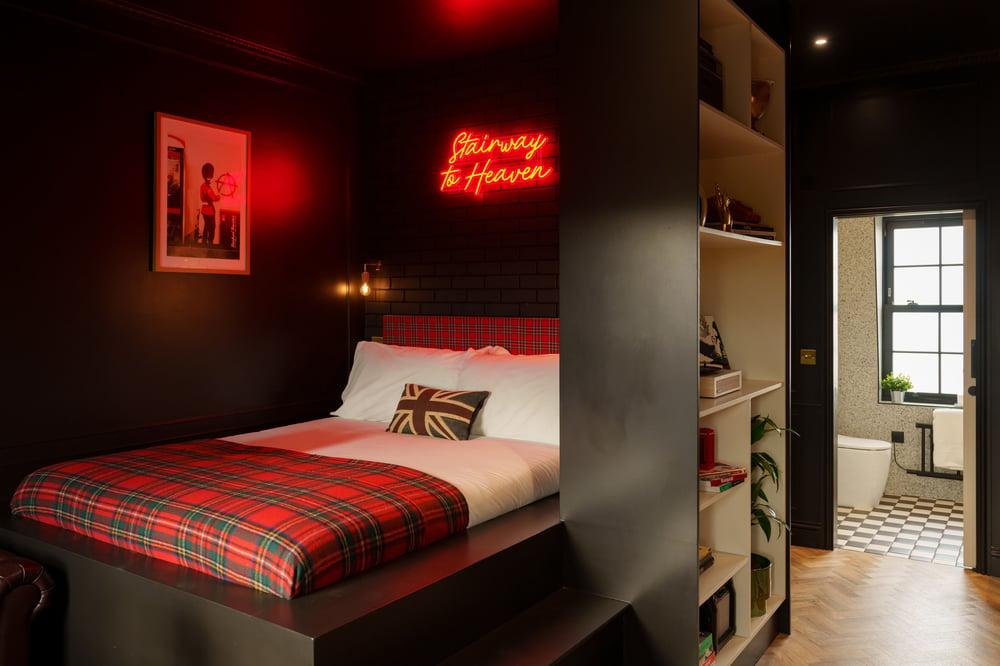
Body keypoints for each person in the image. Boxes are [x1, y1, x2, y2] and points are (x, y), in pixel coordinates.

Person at [199, 162, 221, 246]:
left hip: (204, 209)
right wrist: (219, 196)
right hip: (209, 211)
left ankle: (204, 243)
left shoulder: (203, 186)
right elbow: (214, 198)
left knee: (207, 226)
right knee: (212, 227)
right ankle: (210, 243)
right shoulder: (207, 187)